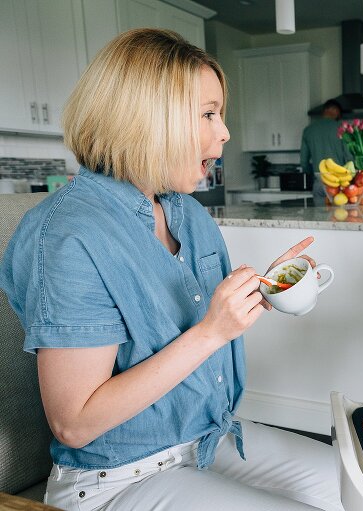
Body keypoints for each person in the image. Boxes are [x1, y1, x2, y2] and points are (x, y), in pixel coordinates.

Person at [0, 29, 341, 511]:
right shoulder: (68, 236)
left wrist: (262, 292)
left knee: (362, 485)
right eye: (207, 114)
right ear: (145, 118)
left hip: (206, 439)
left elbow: (194, 322)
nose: (224, 132)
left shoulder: (187, 212)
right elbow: (74, 421)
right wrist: (211, 332)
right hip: (113, 478)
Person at [300, 99, 351, 201]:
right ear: (335, 110)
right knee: (340, 215)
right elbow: (349, 158)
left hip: (319, 182)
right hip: (339, 183)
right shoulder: (342, 129)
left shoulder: (308, 130)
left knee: (319, 215)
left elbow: (304, 162)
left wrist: (313, 176)